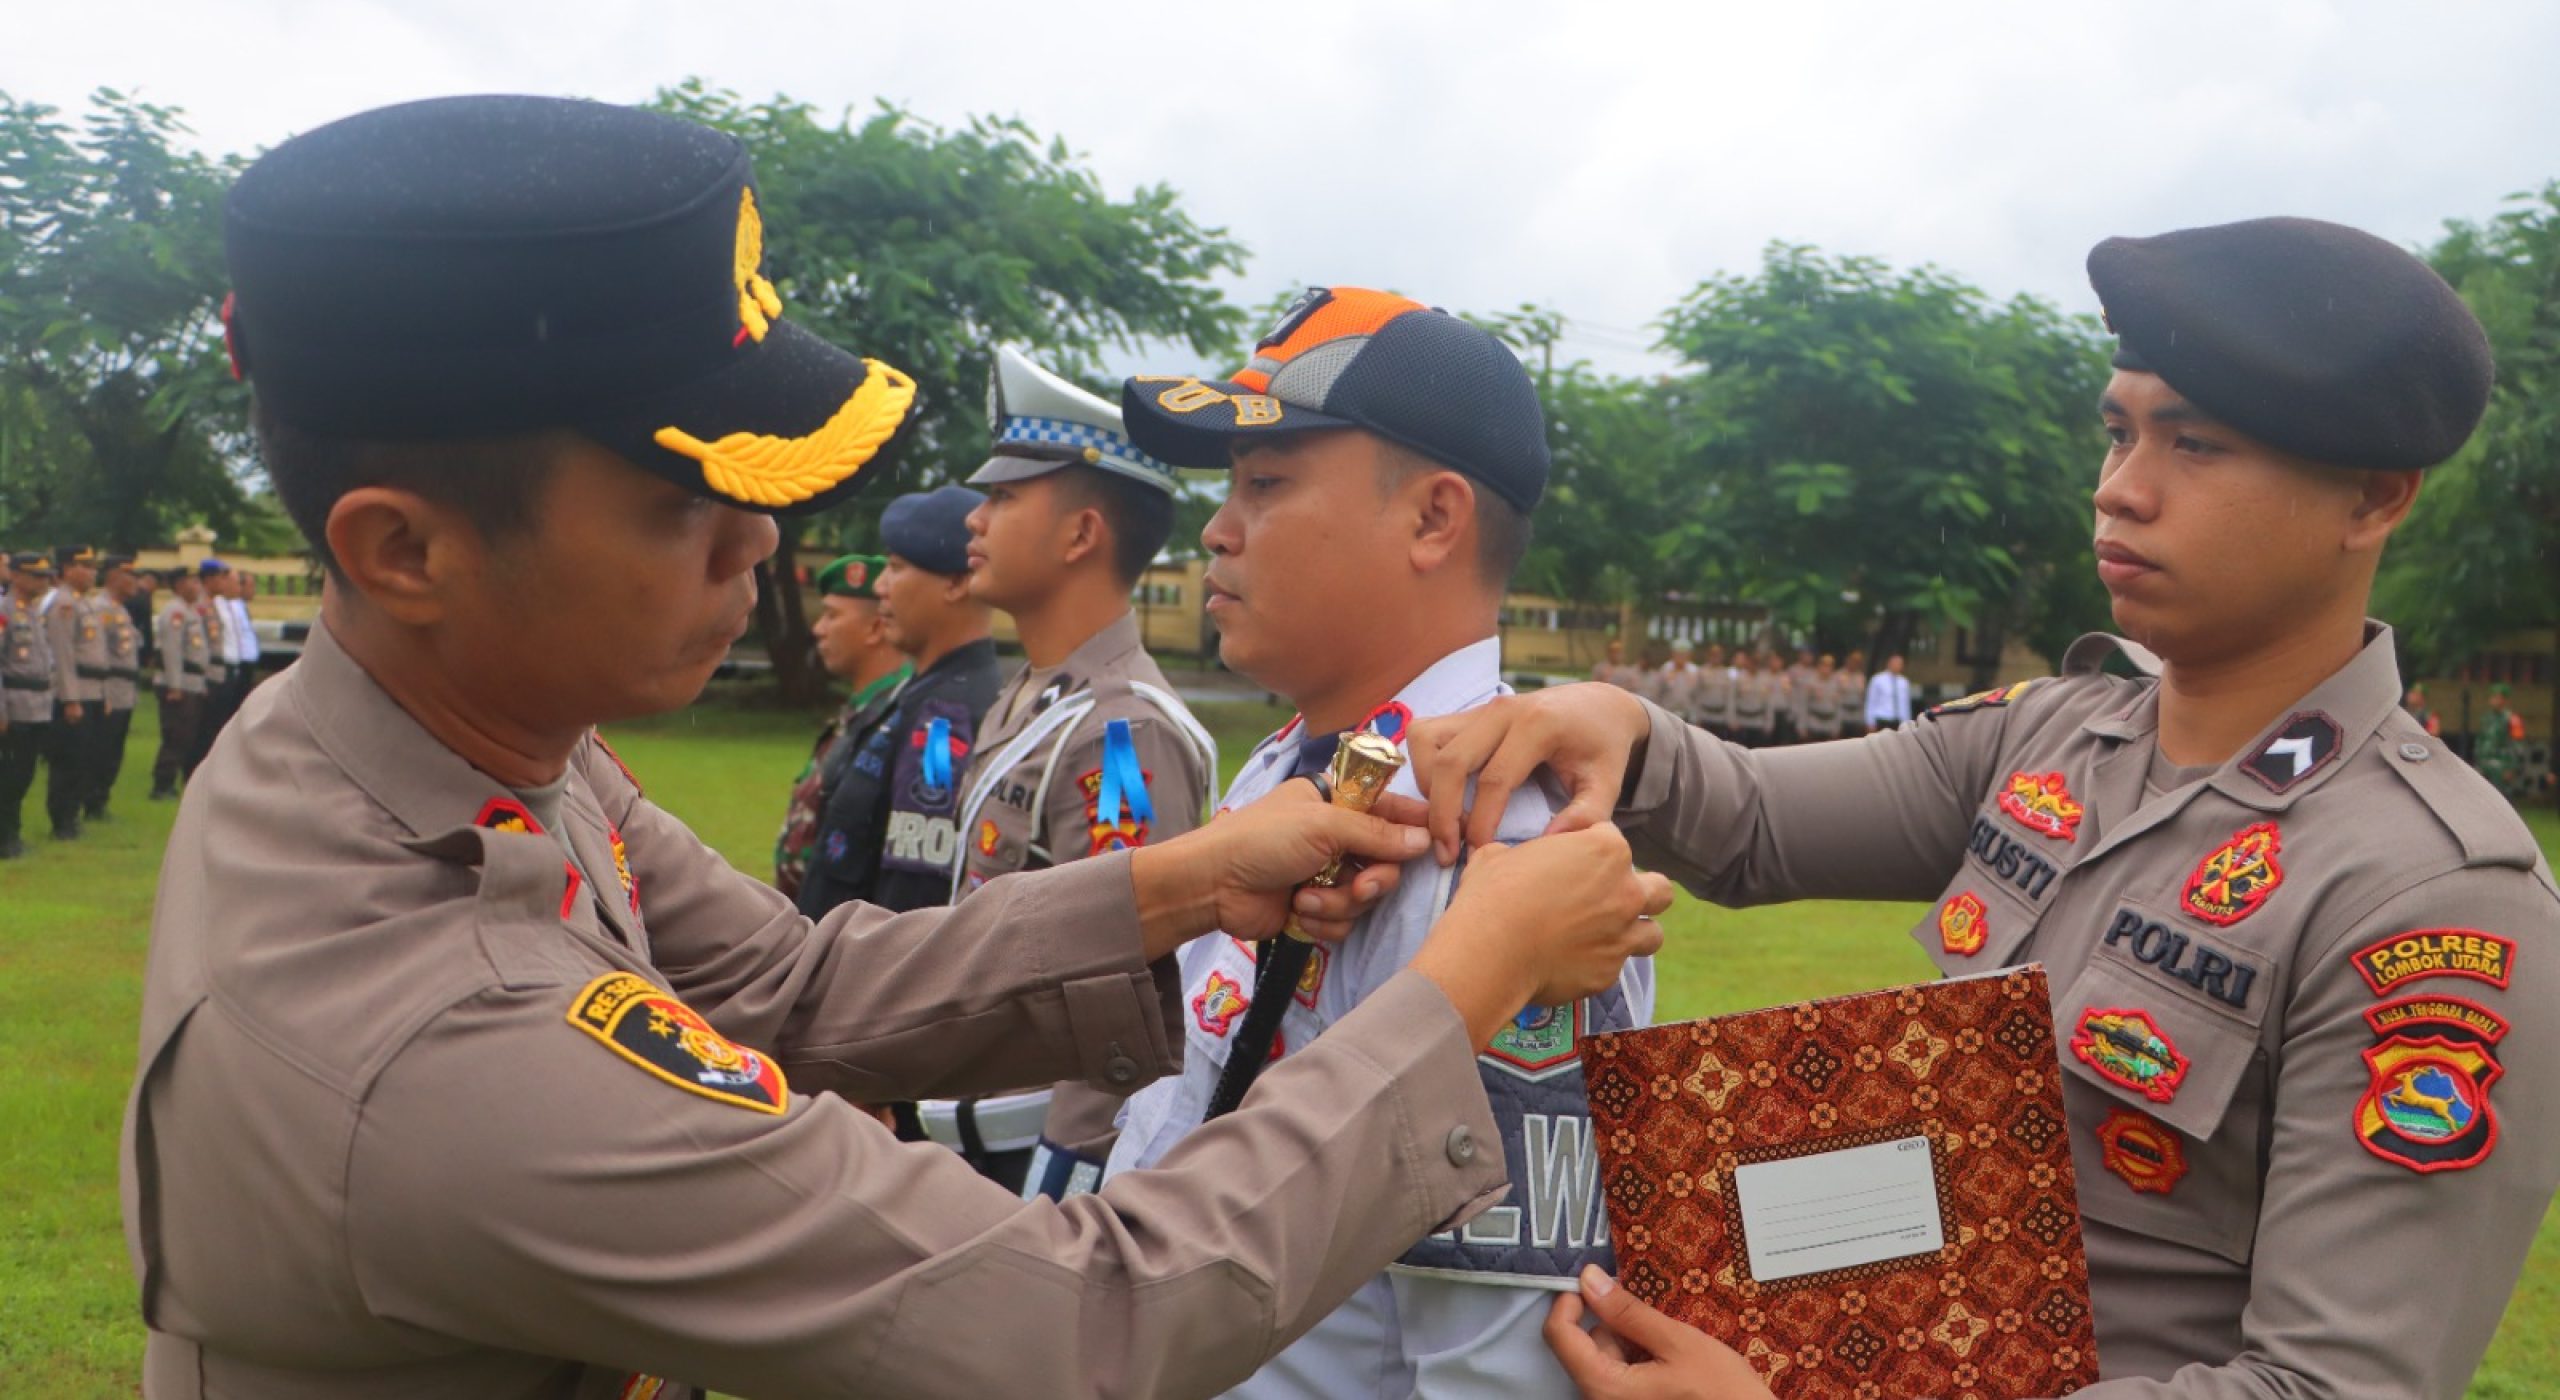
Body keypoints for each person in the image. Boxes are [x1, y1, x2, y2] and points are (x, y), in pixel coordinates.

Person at [122, 94, 1670, 1400]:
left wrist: (1189, 883)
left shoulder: (475, 753)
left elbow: (798, 988)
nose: (767, 552)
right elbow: (1080, 1315)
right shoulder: (433, 1031)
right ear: (404, 552)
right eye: (684, 507)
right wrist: (1469, 985)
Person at [1410, 216, 2560, 1399]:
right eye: (2117, 432)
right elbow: (1749, 815)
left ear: (2372, 498)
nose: (2121, 489)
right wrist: (1619, 725)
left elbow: (2330, 1387)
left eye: (2197, 444)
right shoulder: (2050, 734)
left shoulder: (2430, 893)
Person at [1106, 286, 1658, 1398]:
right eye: (1228, 486)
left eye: (1264, 482)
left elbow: (1493, 1365)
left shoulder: (1498, 843)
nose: (1217, 526)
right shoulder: (1289, 772)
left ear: (1432, 519)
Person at [934, 346, 1220, 1196]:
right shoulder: (1034, 694)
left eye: (1003, 498)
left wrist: (1070, 1179)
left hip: (1043, 1161)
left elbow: (1125, 983)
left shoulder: (1120, 732)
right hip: (966, 1132)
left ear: (1081, 534)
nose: (973, 522)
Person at [792, 484, 1002, 921]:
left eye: (897, 567)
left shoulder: (946, 716)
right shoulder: (923, 691)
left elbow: (911, 903)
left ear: (957, 583)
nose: (882, 587)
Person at [771, 552, 909, 900]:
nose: (818, 628)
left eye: (832, 615)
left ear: (876, 628)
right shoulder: (863, 712)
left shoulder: (901, 718)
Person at [43, 545, 105, 839]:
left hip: (92, 689)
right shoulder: (63, 604)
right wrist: (71, 698)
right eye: (86, 566)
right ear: (67, 569)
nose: (92, 571)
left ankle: (72, 816)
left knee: (86, 757)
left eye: (94, 566)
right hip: (75, 689)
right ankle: (62, 819)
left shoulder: (85, 602)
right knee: (68, 759)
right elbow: (63, 654)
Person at [0, 552, 56, 858]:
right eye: (36, 575)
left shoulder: (34, 612)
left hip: (37, 705)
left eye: (46, 576)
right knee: (10, 774)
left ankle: (12, 833)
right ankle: (5, 838)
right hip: (15, 703)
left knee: (24, 774)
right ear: (17, 576)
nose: (43, 581)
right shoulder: (4, 609)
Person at [89, 554, 145, 822]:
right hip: (111, 686)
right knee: (103, 747)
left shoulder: (120, 609)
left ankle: (100, 799)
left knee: (114, 749)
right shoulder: (101, 609)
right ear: (113, 577)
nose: (135, 582)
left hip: (125, 688)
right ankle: (93, 800)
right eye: (129, 576)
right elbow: (98, 654)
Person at [149, 567, 210, 800]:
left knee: (187, 735)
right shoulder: (174, 612)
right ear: (179, 585)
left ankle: (171, 782)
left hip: (192, 681)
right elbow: (171, 652)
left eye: (197, 581)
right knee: (175, 735)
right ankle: (162, 784)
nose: (197, 586)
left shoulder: (190, 611)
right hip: (178, 683)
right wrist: (175, 686)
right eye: (192, 582)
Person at [189, 560, 240, 769]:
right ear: (209, 579)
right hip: (209, 671)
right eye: (221, 577)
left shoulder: (215, 604)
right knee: (204, 726)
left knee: (216, 724)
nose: (224, 582)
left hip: (221, 670)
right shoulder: (200, 606)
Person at [2473, 682, 2531, 800]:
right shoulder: (2486, 719)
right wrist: (2478, 760)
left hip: (2502, 765)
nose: (2494, 700)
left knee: (2501, 798)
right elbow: (2480, 741)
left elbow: (2518, 745)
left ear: (2504, 700)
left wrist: (2512, 767)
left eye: (2497, 697)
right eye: (2492, 697)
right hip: (2485, 764)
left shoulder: (2512, 720)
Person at [1729, 648, 1773, 746]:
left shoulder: (1765, 679)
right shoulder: (1739, 678)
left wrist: (1769, 723)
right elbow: (1732, 700)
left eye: (1756, 663)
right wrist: (1732, 719)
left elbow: (1768, 703)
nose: (1753, 665)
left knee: (1756, 753)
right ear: (1747, 662)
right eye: (1752, 662)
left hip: (1758, 722)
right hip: (1741, 721)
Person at [1796, 651, 1844, 742]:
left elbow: (1839, 706)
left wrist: (1837, 727)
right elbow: (1803, 705)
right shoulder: (1810, 682)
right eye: (1824, 665)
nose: (1826, 668)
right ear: (1819, 666)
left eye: (1829, 666)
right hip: (1813, 723)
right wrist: (1801, 726)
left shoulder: (1836, 684)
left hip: (1829, 724)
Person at [1861, 649, 1912, 731]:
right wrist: (1869, 721)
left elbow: (1905, 704)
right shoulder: (1877, 680)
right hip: (1882, 719)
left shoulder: (1904, 682)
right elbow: (1871, 701)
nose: (1897, 666)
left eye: (1900, 664)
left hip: (1898, 721)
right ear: (1889, 663)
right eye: (1895, 663)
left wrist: (1907, 722)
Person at [1692, 640, 1733, 737]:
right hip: (1705, 716)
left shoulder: (1726, 673)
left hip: (1721, 717)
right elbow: (1696, 695)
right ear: (1708, 655)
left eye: (1718, 654)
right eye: (1713, 654)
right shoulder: (1701, 672)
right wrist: (1696, 717)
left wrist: (1730, 718)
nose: (1716, 657)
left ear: (1722, 656)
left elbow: (1730, 698)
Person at [1653, 640, 1699, 725]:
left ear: (1689, 655)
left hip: (1689, 715)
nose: (1681, 656)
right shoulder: (1665, 669)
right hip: (1668, 713)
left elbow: (1698, 696)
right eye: (1678, 653)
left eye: (1684, 654)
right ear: (1672, 654)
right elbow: (1657, 693)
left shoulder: (1694, 670)